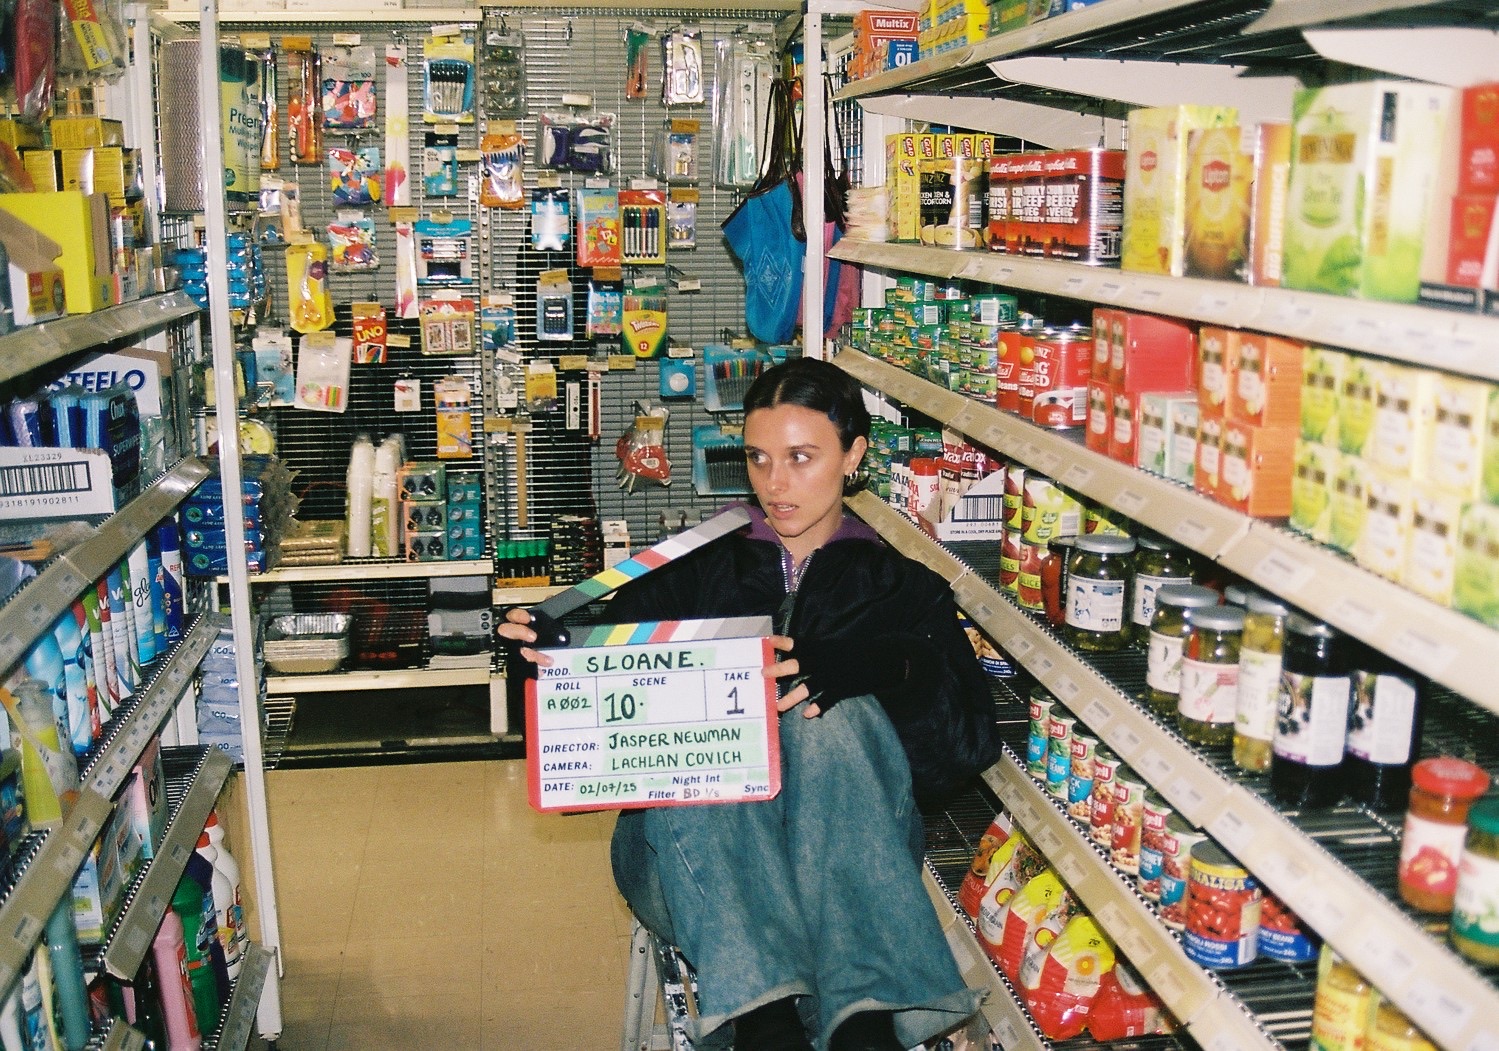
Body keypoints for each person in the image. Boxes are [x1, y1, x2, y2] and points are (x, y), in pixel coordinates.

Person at [501, 358, 1001, 1051]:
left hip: (851, 860)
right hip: (690, 865)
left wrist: (893, 666)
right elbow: (583, 756)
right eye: (760, 459)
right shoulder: (684, 574)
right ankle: (775, 1020)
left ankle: (851, 1022)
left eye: (801, 457)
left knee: (831, 715)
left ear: (853, 455)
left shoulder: (902, 587)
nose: (775, 483)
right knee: (720, 722)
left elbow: (965, 750)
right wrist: (540, 668)